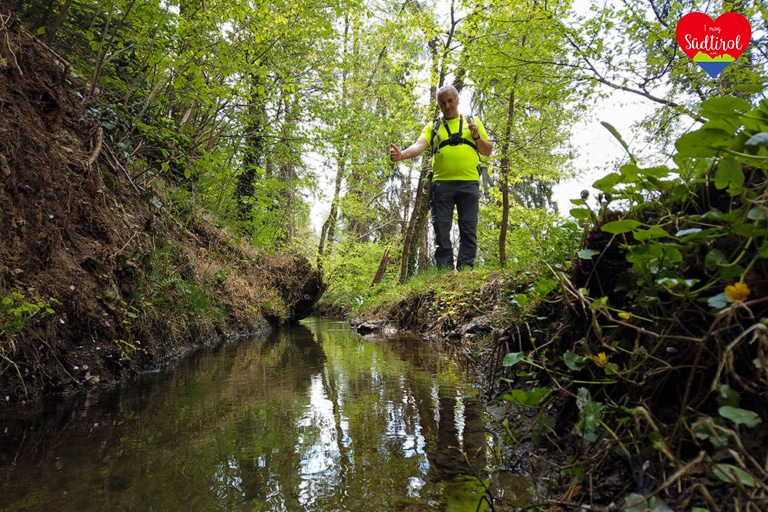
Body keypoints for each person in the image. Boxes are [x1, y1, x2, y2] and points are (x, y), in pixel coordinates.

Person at [389, 85, 493, 270]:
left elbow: (487, 151)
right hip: (441, 185)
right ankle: (444, 271)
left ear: (457, 100)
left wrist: (476, 136)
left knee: (468, 228)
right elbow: (419, 145)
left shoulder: (472, 121)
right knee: (441, 229)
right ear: (439, 105)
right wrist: (402, 154)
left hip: (469, 182)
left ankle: (465, 270)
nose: (447, 105)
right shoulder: (433, 126)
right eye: (442, 102)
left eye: (450, 101)